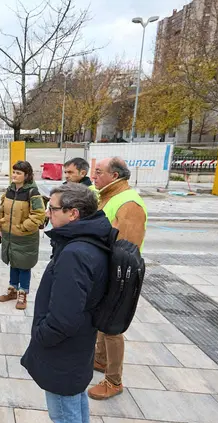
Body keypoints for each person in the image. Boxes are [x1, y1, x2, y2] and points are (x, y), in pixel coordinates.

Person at [21, 183, 111, 423]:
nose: (48, 214)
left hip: (63, 351)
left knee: (66, 419)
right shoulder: (89, 239)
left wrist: (40, 335)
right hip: (77, 347)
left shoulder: (75, 253)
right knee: (74, 405)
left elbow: (64, 319)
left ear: (74, 213)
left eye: (53, 209)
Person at [88, 157, 147, 401]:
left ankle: (114, 380)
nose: (93, 177)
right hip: (104, 271)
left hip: (118, 275)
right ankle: (100, 359)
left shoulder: (129, 203)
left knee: (112, 327)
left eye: (99, 172)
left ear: (115, 176)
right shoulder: (106, 194)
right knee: (102, 320)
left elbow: (127, 249)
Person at [0, 161, 45, 310]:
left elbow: (39, 215)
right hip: (10, 236)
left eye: (18, 173)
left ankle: (23, 294)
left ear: (26, 175)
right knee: (14, 263)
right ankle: (12, 290)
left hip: (25, 237)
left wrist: (23, 227)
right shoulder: (9, 190)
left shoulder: (32, 193)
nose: (15, 175)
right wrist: (0, 228)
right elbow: (1, 210)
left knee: (24, 266)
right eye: (14, 172)